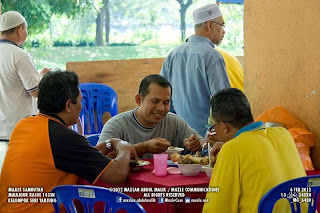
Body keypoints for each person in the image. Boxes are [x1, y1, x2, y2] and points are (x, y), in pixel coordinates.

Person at [0, 70, 136, 213]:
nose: (81, 107)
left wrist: (110, 143)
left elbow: (79, 156)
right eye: (81, 100)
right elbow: (117, 175)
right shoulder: (61, 136)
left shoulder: (25, 124)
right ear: (68, 105)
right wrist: (124, 146)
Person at [202, 88, 306, 213]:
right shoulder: (284, 134)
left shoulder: (232, 149)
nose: (214, 131)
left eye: (213, 126)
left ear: (224, 126)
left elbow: (216, 208)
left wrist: (229, 149)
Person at [160, 4, 230, 137]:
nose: (223, 31)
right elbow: (223, 102)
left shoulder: (173, 55)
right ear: (210, 25)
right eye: (222, 25)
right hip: (206, 139)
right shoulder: (212, 56)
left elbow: (163, 97)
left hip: (178, 138)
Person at [98, 74, 205, 158]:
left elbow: (204, 142)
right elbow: (99, 158)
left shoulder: (174, 122)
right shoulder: (117, 124)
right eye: (155, 101)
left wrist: (196, 144)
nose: (161, 108)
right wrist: (144, 147)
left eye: (166, 103)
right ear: (139, 100)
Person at [0, 11, 50, 171]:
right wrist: (45, 77)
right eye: (26, 29)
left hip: (2, 130)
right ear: (20, 30)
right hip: (17, 131)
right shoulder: (20, 56)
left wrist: (38, 76)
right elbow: (35, 91)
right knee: (19, 178)